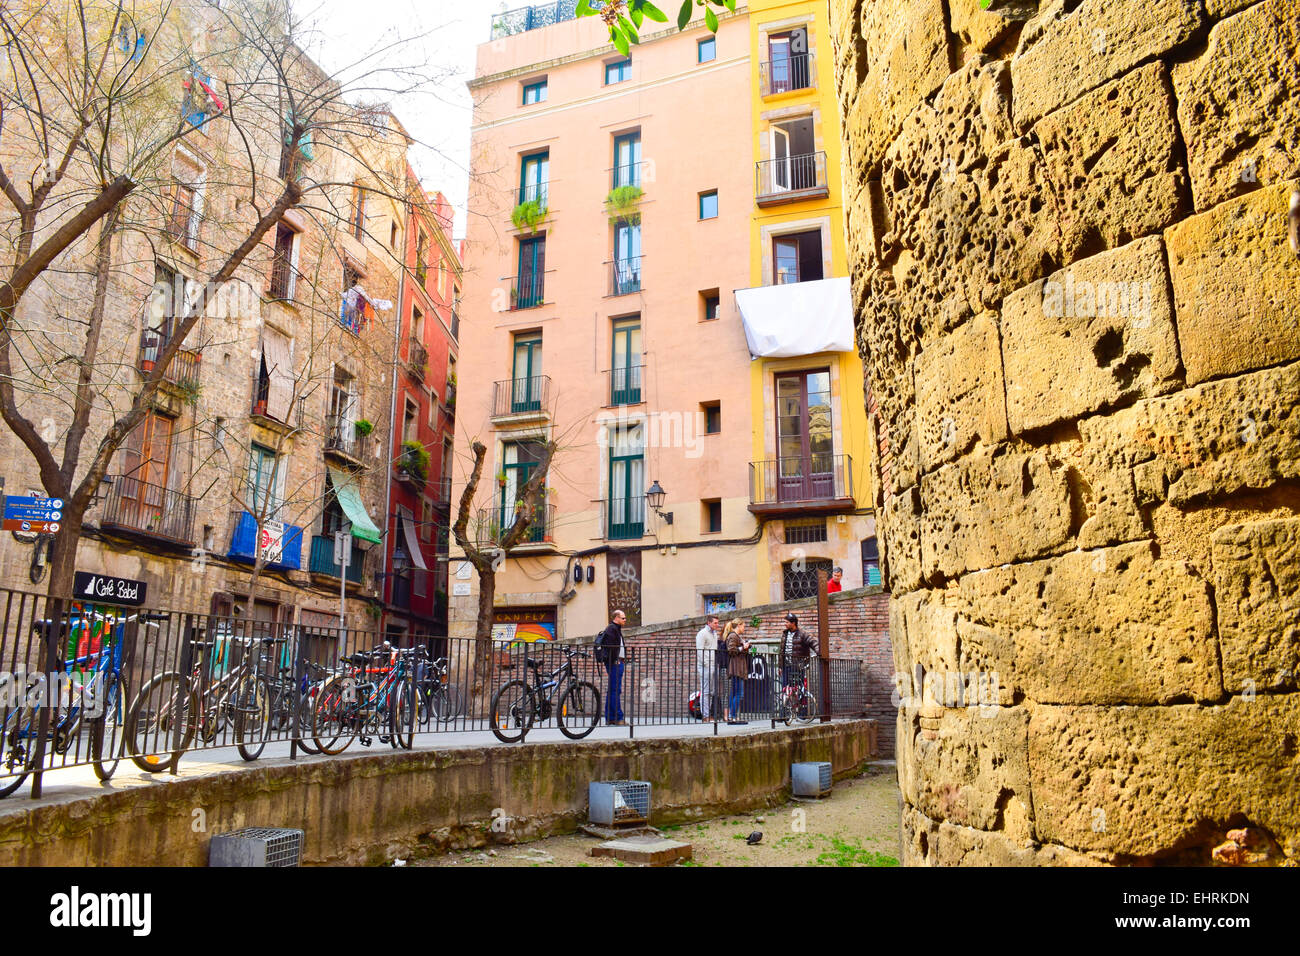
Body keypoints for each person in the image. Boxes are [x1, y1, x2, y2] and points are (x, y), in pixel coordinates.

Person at [597, 609, 628, 725]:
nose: (625, 620)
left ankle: (610, 718)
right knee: (615, 690)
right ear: (616, 618)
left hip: (616, 662)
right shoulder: (612, 629)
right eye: (623, 618)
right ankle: (618, 717)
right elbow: (610, 648)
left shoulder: (615, 629)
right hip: (615, 663)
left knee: (613, 690)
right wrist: (615, 660)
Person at [781, 612, 820, 702]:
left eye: (787, 622)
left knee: (800, 689)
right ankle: (784, 713)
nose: (785, 624)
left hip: (798, 666)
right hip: (786, 666)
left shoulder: (802, 634)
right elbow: (781, 650)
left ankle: (802, 712)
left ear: (793, 623)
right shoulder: (784, 634)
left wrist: (819, 653)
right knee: (785, 689)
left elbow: (813, 643)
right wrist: (780, 666)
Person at [722, 618, 751, 725]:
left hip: (737, 668)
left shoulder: (735, 636)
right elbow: (731, 650)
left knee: (735, 693)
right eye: (743, 626)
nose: (744, 628)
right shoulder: (733, 636)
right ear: (738, 625)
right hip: (736, 668)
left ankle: (732, 716)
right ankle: (732, 716)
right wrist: (743, 647)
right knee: (739, 693)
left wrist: (745, 647)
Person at [694, 614, 721, 720]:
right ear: (709, 623)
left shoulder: (715, 634)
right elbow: (699, 650)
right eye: (715, 623)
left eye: (718, 623)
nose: (717, 625)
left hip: (713, 664)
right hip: (706, 666)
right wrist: (706, 664)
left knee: (711, 691)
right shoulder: (702, 634)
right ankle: (705, 716)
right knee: (705, 691)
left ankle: (708, 714)